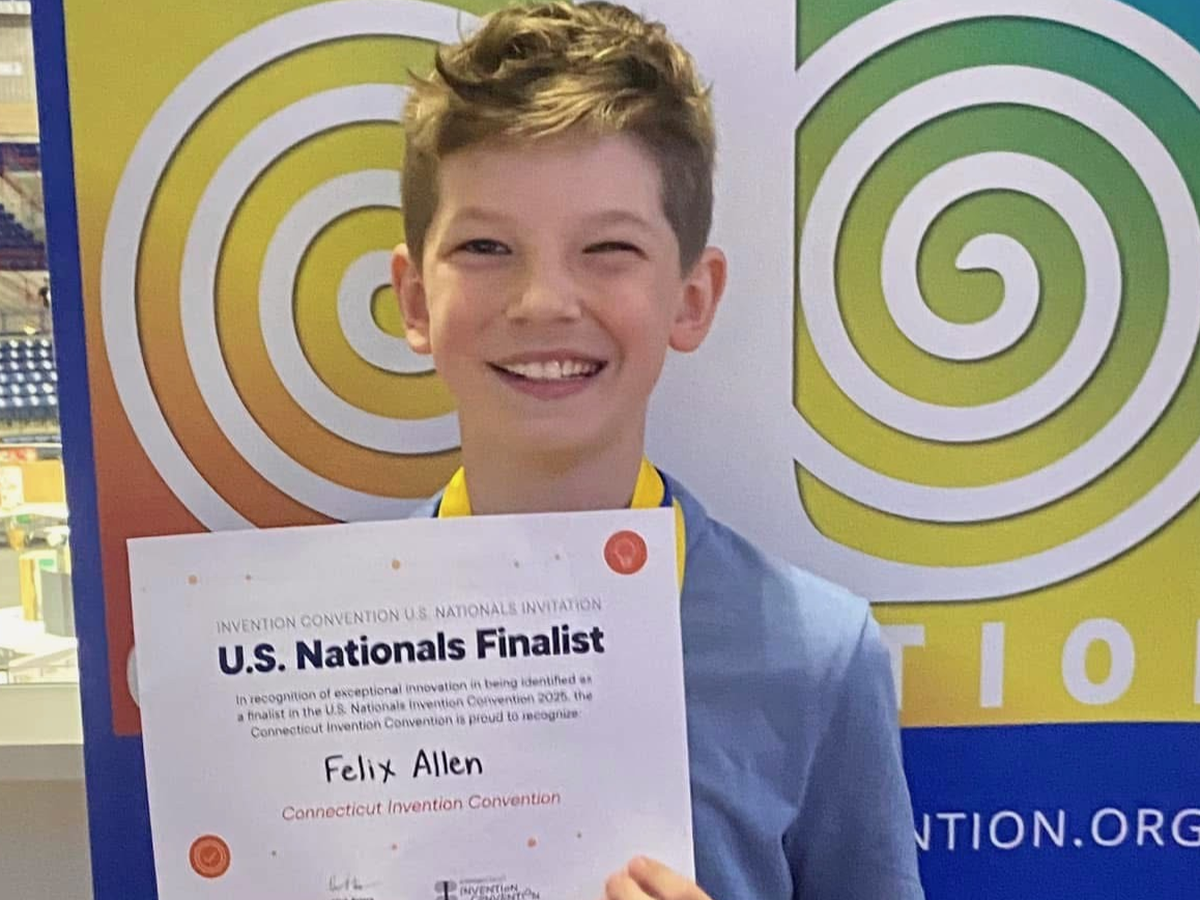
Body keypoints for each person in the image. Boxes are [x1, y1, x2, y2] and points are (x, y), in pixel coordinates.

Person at [390, 3, 924, 898]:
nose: (543, 301)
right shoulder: (306, 650)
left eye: (608, 248)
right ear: (414, 301)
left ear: (691, 298)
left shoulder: (817, 656)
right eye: (486, 246)